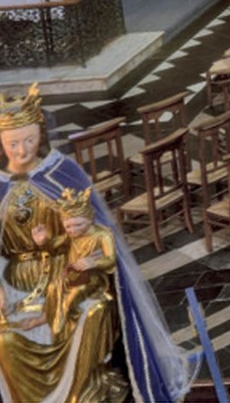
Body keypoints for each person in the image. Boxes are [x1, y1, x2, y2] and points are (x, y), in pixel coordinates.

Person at [0, 85, 196, 402]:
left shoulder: (62, 173)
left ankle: (83, 391)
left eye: (30, 140)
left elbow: (97, 242)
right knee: (5, 342)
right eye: (13, 144)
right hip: (15, 286)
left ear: (41, 136)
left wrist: (73, 255)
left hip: (67, 278)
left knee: (91, 312)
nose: (22, 150)